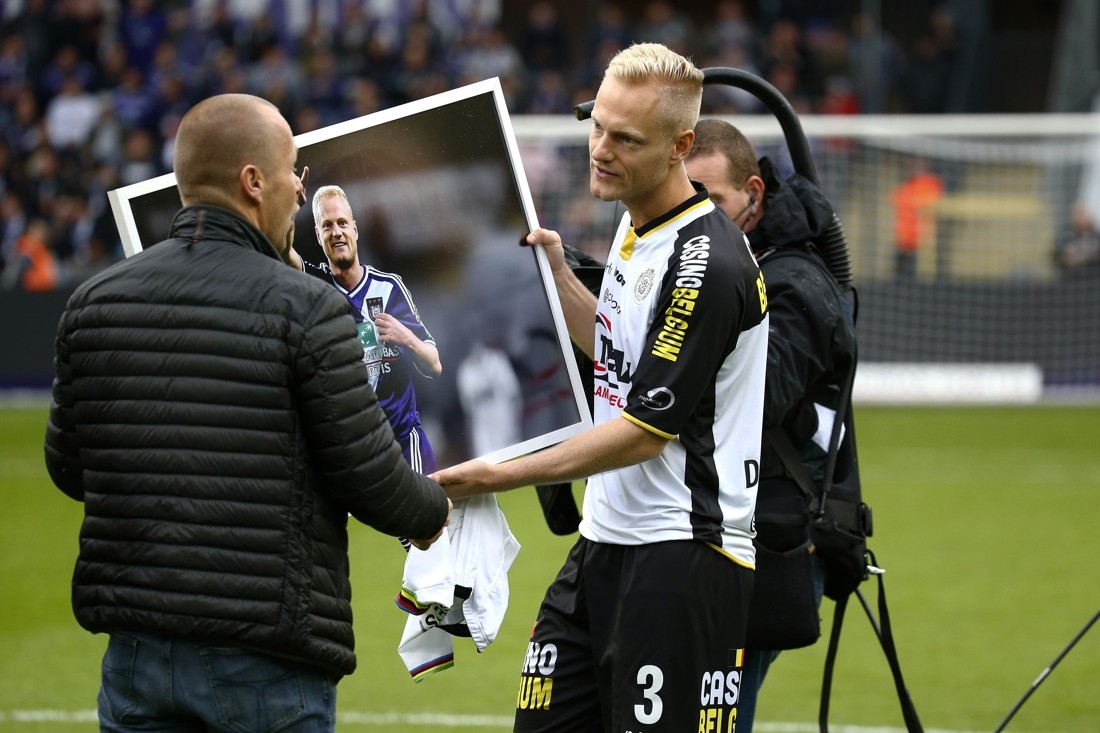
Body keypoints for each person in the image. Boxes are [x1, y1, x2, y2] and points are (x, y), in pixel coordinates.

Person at [43, 93, 451, 733]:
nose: (299, 187)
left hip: (134, 654)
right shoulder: (308, 307)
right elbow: (367, 473)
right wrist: (433, 511)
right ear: (253, 181)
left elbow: (69, 468)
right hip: (267, 655)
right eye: (294, 170)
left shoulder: (94, 300)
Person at [432, 43, 770, 732]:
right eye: (598, 127)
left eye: (625, 138)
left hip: (684, 555)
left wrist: (497, 473)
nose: (600, 149)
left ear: (680, 146)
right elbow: (622, 353)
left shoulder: (707, 262)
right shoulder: (632, 220)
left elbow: (646, 431)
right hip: (604, 541)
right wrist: (560, 279)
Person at [685, 118, 858, 731]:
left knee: (713, 716)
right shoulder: (716, 266)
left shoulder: (798, 285)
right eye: (682, 198)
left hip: (773, 538)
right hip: (721, 528)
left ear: (753, 196)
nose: (693, 218)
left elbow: (751, 405)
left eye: (708, 199)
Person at [300, 184, 441, 474]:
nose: (336, 232)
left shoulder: (389, 288)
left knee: (430, 517)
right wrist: (288, 203)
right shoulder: (316, 287)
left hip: (404, 442)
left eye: (342, 223)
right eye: (327, 226)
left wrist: (408, 339)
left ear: (355, 229)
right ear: (318, 235)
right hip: (357, 452)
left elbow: (435, 363)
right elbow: (279, 249)